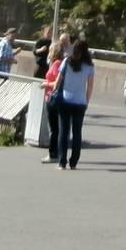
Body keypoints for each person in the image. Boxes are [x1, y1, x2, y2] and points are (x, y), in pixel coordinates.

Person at [55, 40, 94, 171]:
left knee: (63, 131)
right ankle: (74, 162)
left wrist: (54, 91)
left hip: (66, 99)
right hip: (80, 102)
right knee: (77, 132)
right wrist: (86, 101)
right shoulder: (89, 66)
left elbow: (58, 80)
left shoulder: (67, 61)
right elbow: (90, 87)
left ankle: (62, 162)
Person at [39, 41, 65, 164]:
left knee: (54, 129)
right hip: (54, 98)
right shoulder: (58, 63)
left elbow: (57, 83)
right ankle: (57, 153)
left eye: (50, 50)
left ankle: (53, 153)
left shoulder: (57, 64)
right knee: (57, 128)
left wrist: (46, 84)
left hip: (53, 98)